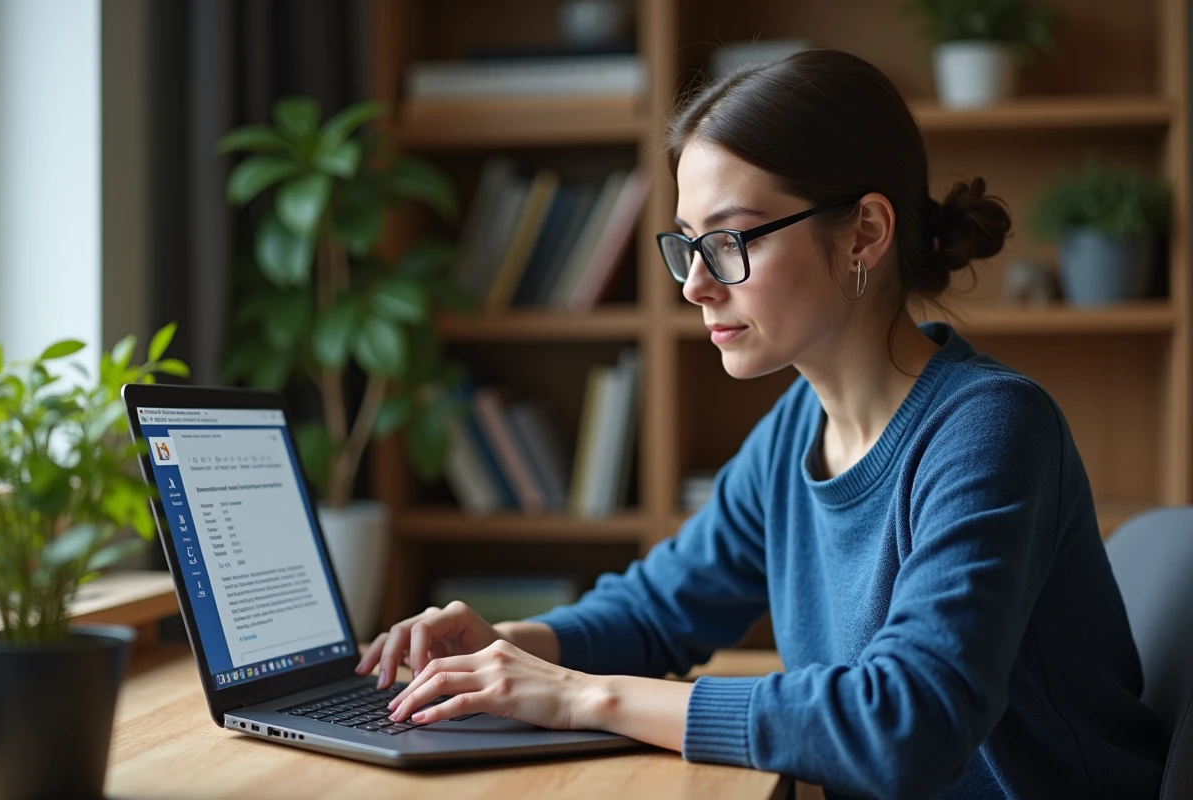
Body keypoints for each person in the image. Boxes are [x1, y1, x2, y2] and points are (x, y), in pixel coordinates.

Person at [355, 49, 1169, 798]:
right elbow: (657, 611)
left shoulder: (990, 429)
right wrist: (506, 645)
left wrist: (580, 696)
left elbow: (907, 722)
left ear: (865, 233)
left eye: (730, 240)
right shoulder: (795, 432)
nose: (695, 286)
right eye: (688, 246)